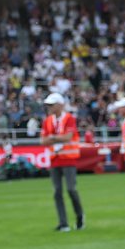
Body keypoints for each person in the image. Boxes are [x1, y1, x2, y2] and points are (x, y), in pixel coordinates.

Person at [41, 92, 85, 231]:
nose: (49, 108)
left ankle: (79, 216)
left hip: (69, 158)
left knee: (71, 189)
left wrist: (52, 138)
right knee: (57, 192)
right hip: (55, 159)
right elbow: (43, 141)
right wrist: (57, 138)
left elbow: (68, 137)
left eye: (51, 105)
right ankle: (63, 222)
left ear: (60, 105)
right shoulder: (48, 121)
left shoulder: (69, 118)